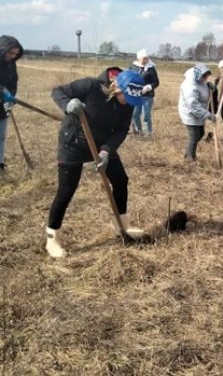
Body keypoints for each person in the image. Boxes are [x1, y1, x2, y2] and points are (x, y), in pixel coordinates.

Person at [45, 68, 147, 258]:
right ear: (117, 88)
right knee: (66, 190)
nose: (128, 103)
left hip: (102, 144)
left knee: (120, 180)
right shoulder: (91, 86)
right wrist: (68, 104)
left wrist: (107, 151)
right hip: (73, 142)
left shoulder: (129, 102)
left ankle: (123, 226)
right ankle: (52, 238)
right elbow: (57, 91)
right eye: (126, 97)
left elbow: (121, 130)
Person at [178, 63, 216, 161]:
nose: (206, 79)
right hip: (189, 112)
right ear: (199, 75)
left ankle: (188, 151)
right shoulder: (189, 85)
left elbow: (203, 89)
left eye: (207, 77)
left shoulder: (200, 79)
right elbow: (193, 105)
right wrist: (208, 115)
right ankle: (190, 158)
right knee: (194, 135)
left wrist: (209, 86)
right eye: (205, 77)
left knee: (201, 133)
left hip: (199, 112)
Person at [0, 35, 24, 174]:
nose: (12, 56)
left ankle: (0, 163)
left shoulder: (11, 63)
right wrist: (1, 91)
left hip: (4, 105)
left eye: (15, 54)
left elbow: (13, 81)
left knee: (1, 136)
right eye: (10, 53)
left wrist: (11, 96)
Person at [129, 49, 159, 138]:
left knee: (146, 114)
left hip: (147, 96)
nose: (146, 61)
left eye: (147, 59)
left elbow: (156, 82)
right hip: (135, 95)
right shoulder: (133, 67)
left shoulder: (151, 68)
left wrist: (149, 87)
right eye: (144, 59)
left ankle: (147, 133)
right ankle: (138, 131)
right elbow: (128, 77)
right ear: (139, 58)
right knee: (135, 114)